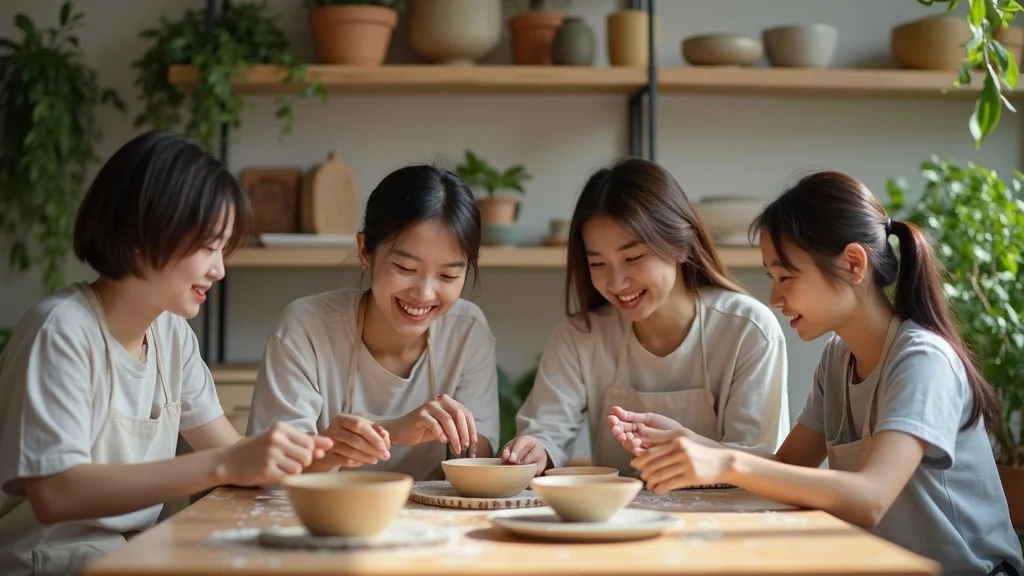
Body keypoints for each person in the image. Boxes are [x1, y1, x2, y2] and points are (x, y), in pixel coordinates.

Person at [628, 170, 1023, 576]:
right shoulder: (838, 357)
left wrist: (726, 463)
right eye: (771, 277)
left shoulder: (923, 359)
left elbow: (871, 498)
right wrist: (692, 443)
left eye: (786, 276)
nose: (775, 297)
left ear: (854, 264)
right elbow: (789, 466)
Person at [0, 130, 333, 576]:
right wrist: (224, 463)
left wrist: (327, 453)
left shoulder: (171, 334)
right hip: (47, 561)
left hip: (127, 556)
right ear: (144, 235)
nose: (219, 269)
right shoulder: (61, 330)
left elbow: (233, 455)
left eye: (223, 250)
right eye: (209, 247)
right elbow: (56, 493)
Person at [501, 158, 791, 476]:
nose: (616, 282)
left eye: (634, 257)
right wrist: (536, 450)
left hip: (724, 519)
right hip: (615, 520)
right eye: (597, 264)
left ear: (680, 244)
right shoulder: (580, 336)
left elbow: (757, 462)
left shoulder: (748, 330)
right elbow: (546, 432)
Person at [247, 164, 500, 482]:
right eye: (406, 268)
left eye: (448, 275)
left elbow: (481, 454)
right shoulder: (305, 330)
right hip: (320, 520)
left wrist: (466, 440)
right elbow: (271, 469)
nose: (424, 293)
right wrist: (393, 431)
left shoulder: (467, 330)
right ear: (365, 250)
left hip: (430, 523)